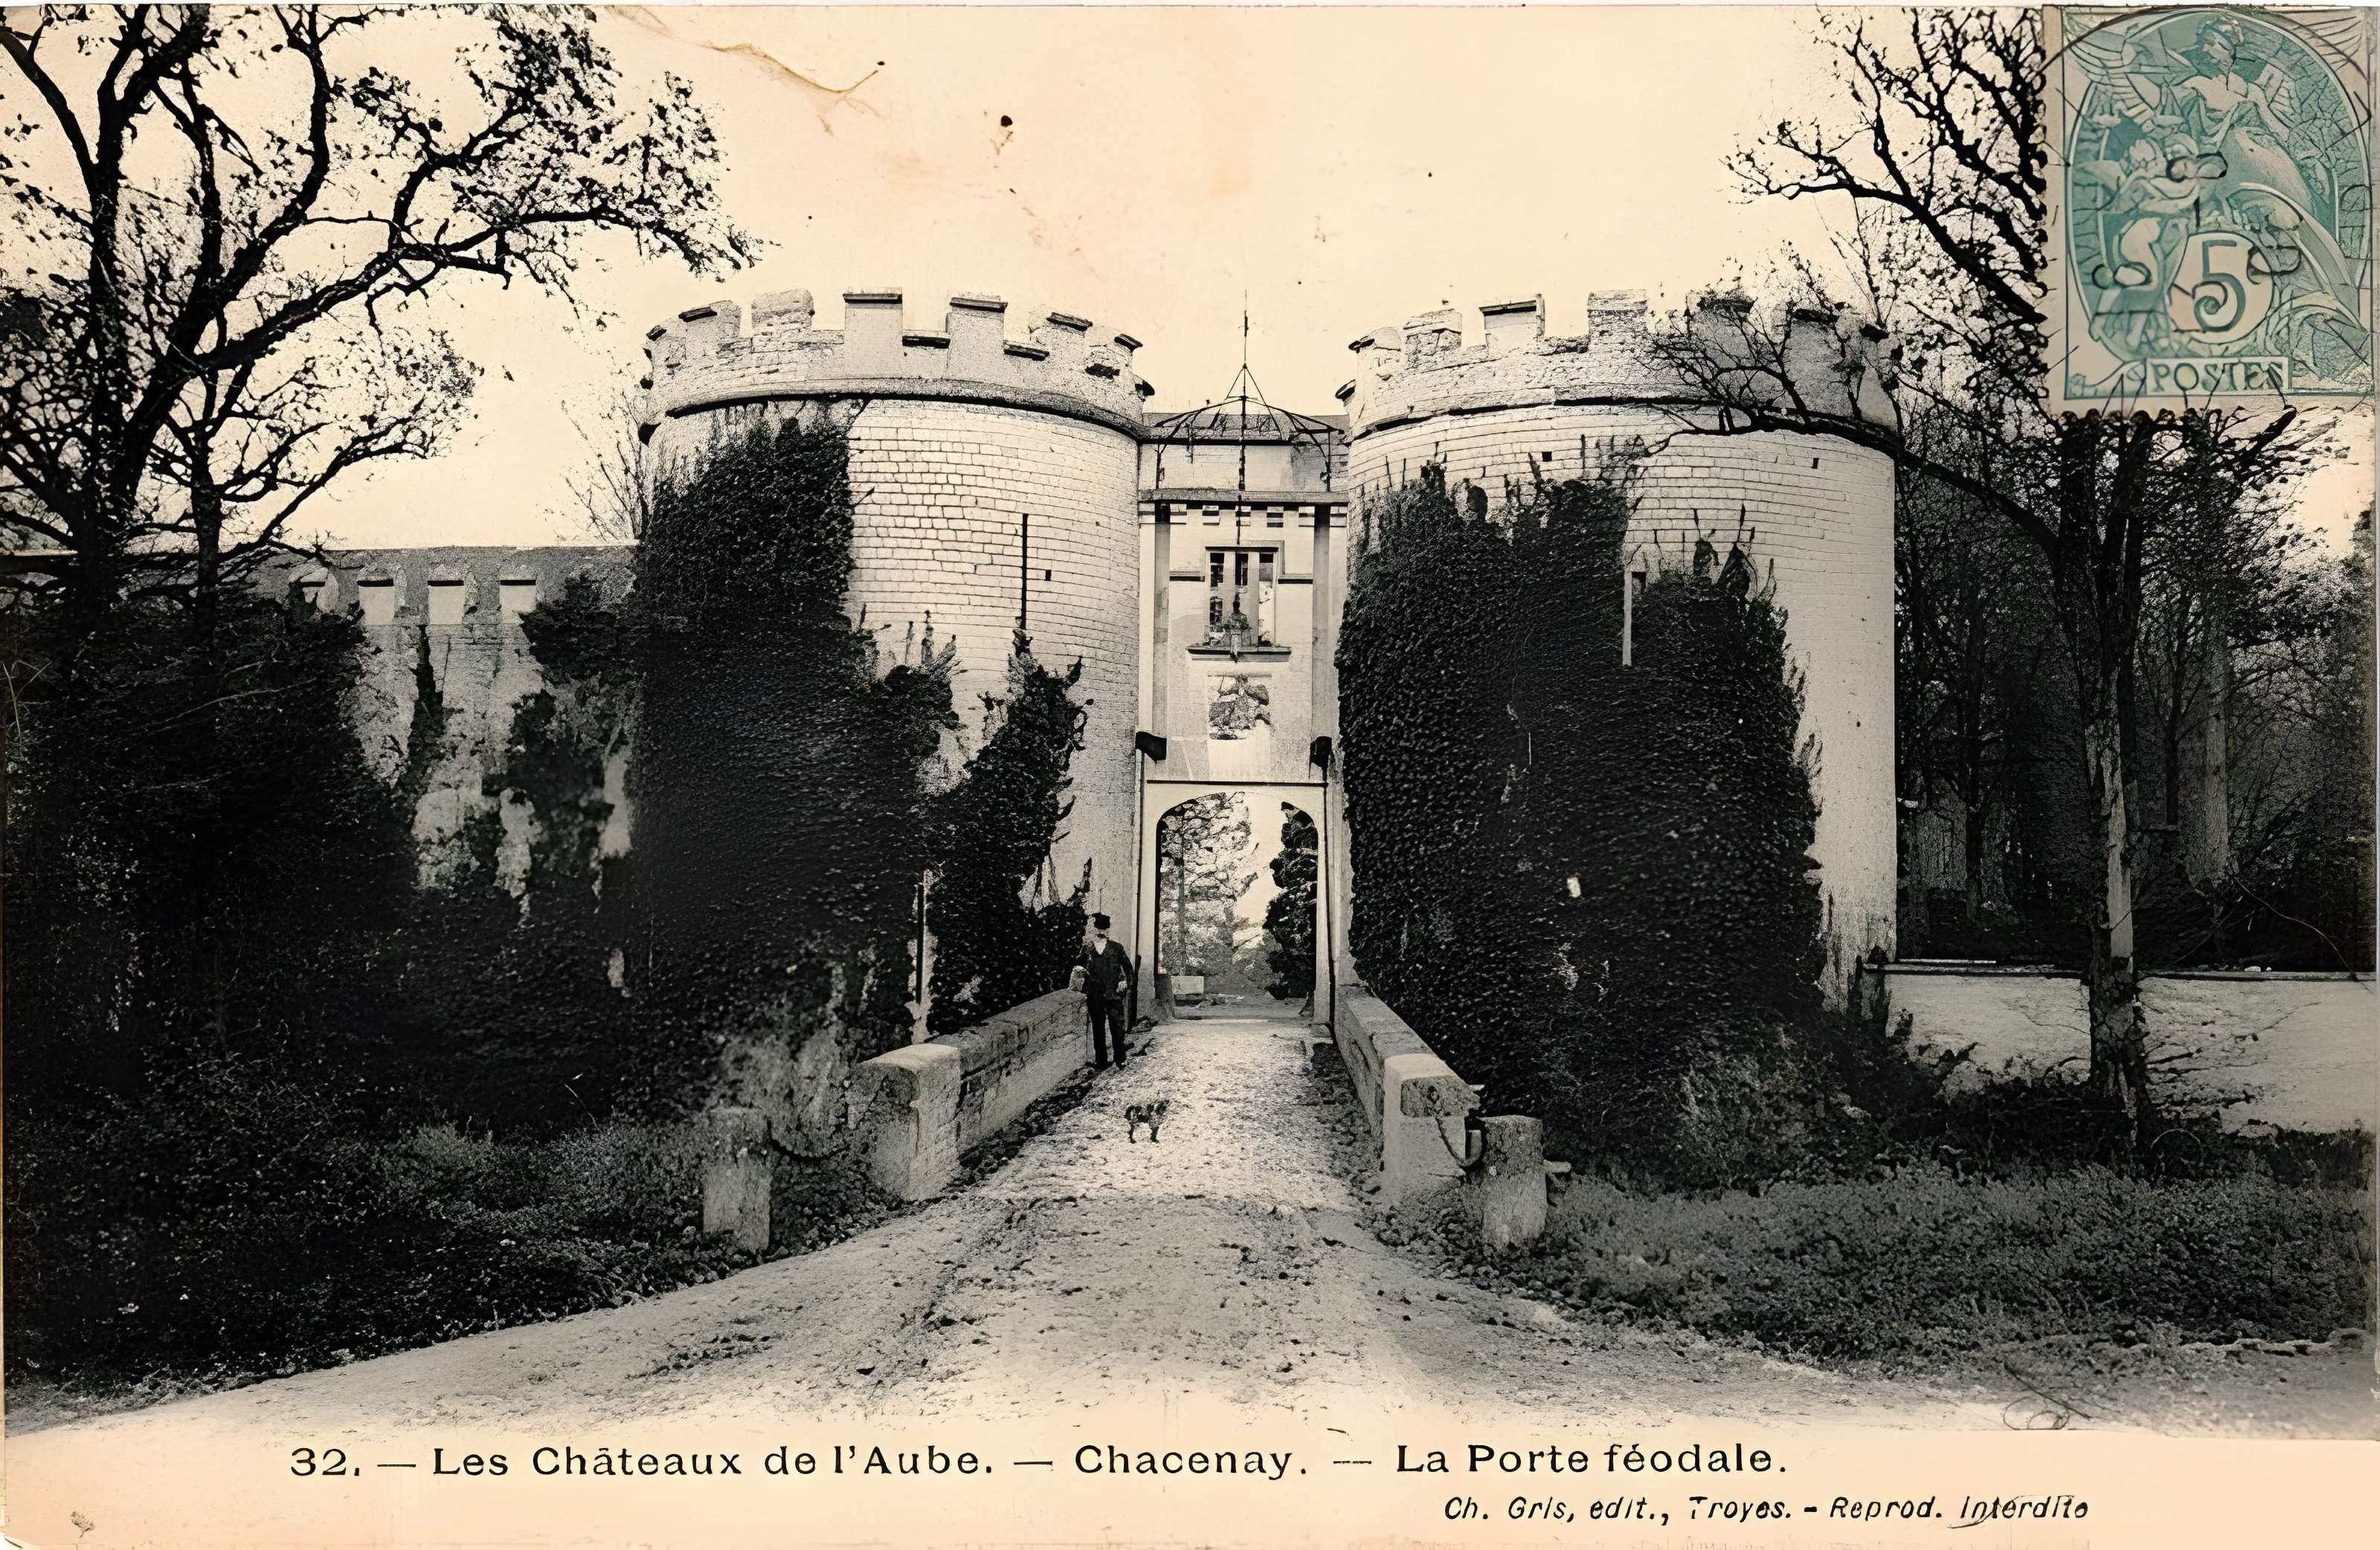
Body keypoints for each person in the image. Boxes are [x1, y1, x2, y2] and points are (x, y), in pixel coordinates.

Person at [1078, 913, 1135, 1070]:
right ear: (1094, 930)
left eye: (1104, 929)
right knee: (1098, 1027)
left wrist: (1125, 983)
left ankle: (1120, 1058)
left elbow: (1129, 970)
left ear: (1108, 931)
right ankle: (1101, 1061)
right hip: (1095, 994)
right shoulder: (1087, 951)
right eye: (1098, 929)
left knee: (1117, 1027)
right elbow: (1079, 970)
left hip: (1113, 993)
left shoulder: (1116, 948)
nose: (1101, 932)